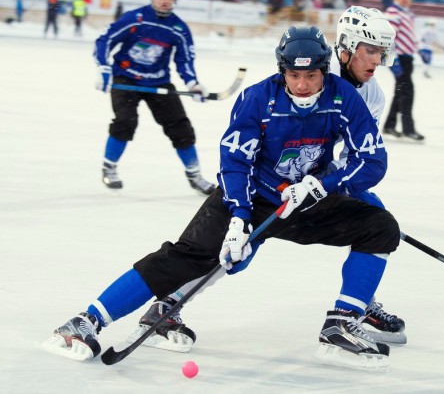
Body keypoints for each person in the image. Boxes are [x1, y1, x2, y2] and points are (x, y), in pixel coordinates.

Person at [44, 25, 401, 370]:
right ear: (282, 71)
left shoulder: (344, 97)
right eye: (294, 75)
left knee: (379, 226)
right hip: (256, 194)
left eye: (311, 76)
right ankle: (87, 320)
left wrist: (321, 185)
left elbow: (372, 161)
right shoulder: (258, 99)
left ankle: (341, 323)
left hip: (304, 199)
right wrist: (238, 218)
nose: (303, 85)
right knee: (195, 257)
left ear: (325, 70)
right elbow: (235, 162)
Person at [125, 6, 407, 355]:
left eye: (383, 52)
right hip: (266, 179)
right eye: (372, 50)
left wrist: (319, 183)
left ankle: (358, 305)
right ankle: (167, 304)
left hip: (307, 177)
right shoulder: (314, 69)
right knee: (242, 248)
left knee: (376, 220)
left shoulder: (372, 95)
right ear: (347, 46)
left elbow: (354, 159)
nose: (378, 60)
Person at [94, 0, 216, 195]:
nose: (165, 0)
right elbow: (105, 40)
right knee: (125, 121)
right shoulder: (135, 18)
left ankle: (194, 174)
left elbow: (185, 60)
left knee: (180, 127)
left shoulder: (178, 28)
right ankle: (109, 167)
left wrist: (192, 84)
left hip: (158, 81)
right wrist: (104, 68)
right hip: (125, 79)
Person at [383, 0, 425, 142]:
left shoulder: (407, 14)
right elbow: (388, 38)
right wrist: (392, 61)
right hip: (399, 59)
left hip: (407, 58)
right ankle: (408, 129)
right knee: (408, 92)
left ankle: (389, 126)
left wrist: (420, 49)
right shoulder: (393, 13)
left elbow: (410, 36)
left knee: (400, 92)